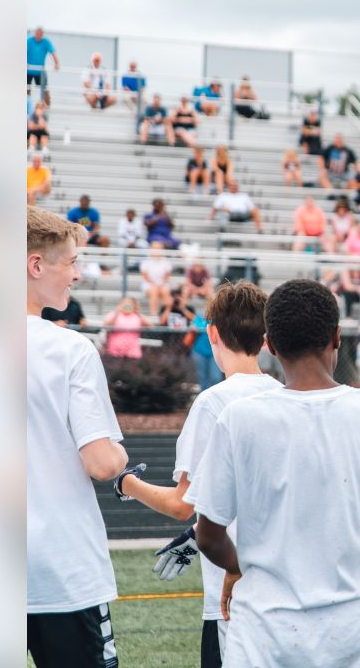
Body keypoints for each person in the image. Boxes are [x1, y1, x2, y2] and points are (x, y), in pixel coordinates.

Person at [191, 279, 360, 666]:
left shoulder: (237, 419)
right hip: (355, 633)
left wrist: (244, 564)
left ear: (269, 344)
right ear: (338, 338)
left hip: (263, 635)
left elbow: (207, 535)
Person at [113, 282, 280, 667]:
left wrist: (127, 483)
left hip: (230, 592)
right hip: (279, 585)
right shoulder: (283, 393)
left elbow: (182, 504)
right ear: (265, 337)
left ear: (213, 334)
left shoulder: (212, 402)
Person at [27, 205, 130, 667]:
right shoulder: (69, 349)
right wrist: (122, 459)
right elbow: (102, 463)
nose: (77, 275)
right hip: (59, 569)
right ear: (35, 265)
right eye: (70, 262)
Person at [26, 27, 59, 104]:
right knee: (27, 89)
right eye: (37, 34)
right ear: (34, 33)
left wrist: (56, 63)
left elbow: (53, 52)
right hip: (28, 71)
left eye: (40, 35)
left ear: (42, 35)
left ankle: (47, 106)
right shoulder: (29, 41)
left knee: (45, 89)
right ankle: (26, 107)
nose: (38, 36)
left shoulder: (46, 42)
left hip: (40, 71)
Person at [140, 245, 173, 317]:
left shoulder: (166, 261)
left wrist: (161, 284)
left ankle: (166, 314)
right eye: (155, 248)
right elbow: (145, 276)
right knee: (154, 290)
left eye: (158, 248)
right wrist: (154, 284)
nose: (156, 250)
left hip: (163, 284)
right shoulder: (146, 261)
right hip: (149, 284)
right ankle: (153, 314)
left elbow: (167, 276)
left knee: (165, 291)